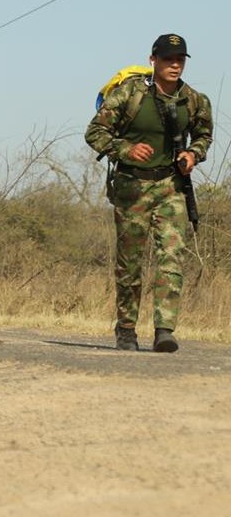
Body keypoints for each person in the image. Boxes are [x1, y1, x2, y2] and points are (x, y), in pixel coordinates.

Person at [85, 34, 213, 353]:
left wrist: (192, 154)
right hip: (132, 187)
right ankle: (126, 329)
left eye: (180, 59)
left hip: (171, 186)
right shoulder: (130, 94)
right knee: (130, 261)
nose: (175, 65)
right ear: (153, 60)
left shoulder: (194, 100)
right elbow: (95, 132)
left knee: (171, 257)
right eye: (169, 59)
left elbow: (203, 134)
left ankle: (164, 330)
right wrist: (125, 149)